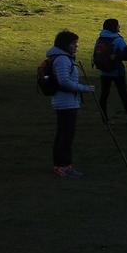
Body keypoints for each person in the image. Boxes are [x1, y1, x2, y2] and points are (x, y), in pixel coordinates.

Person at [46, 29, 94, 177]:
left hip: (66, 102)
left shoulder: (63, 58)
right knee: (66, 135)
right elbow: (64, 81)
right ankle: (64, 166)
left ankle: (60, 165)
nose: (76, 46)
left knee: (63, 134)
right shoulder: (62, 59)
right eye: (74, 44)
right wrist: (84, 88)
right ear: (66, 44)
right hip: (66, 102)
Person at [91, 17, 127, 122]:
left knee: (104, 94)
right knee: (123, 94)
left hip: (103, 71)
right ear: (114, 27)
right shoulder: (117, 40)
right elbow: (126, 55)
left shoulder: (100, 38)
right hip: (117, 71)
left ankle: (104, 118)